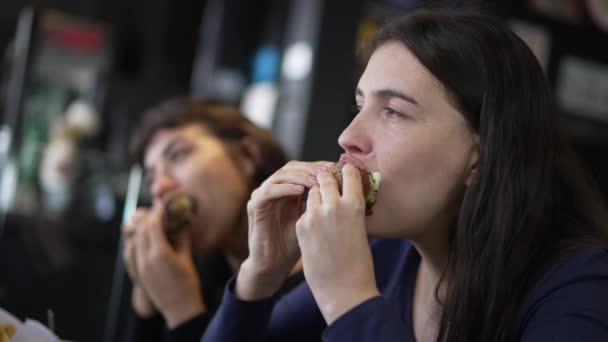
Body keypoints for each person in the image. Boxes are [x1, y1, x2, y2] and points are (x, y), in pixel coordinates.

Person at [201, 7, 608, 342]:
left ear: (480, 160)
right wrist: (260, 276)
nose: (348, 137)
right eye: (360, 106)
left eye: (393, 111)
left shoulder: (581, 287)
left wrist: (349, 297)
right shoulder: (388, 258)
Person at [121, 97, 294, 342]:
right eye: (151, 179)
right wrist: (145, 296)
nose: (160, 187)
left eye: (178, 155)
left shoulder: (321, 273)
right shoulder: (197, 273)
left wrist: (182, 310)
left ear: (247, 156)